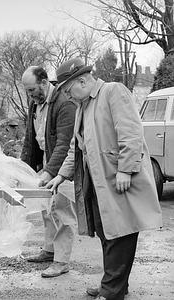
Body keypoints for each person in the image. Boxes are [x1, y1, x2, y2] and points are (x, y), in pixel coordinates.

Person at [46, 57, 163, 299]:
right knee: (106, 233)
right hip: (98, 183)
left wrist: (126, 170)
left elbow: (131, 132)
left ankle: (112, 291)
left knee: (121, 234)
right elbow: (75, 148)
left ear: (82, 80)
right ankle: (115, 283)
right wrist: (60, 175)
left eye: (68, 90)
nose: (67, 96)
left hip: (118, 180)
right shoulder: (83, 107)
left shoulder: (112, 92)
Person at [21, 66, 77, 278]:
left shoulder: (64, 103)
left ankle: (61, 261)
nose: (30, 94)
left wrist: (50, 172)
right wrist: (24, 168)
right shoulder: (35, 104)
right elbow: (30, 140)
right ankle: (49, 250)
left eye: (32, 89)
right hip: (47, 161)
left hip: (62, 166)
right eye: (27, 90)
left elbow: (64, 144)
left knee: (62, 211)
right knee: (47, 209)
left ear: (44, 82)